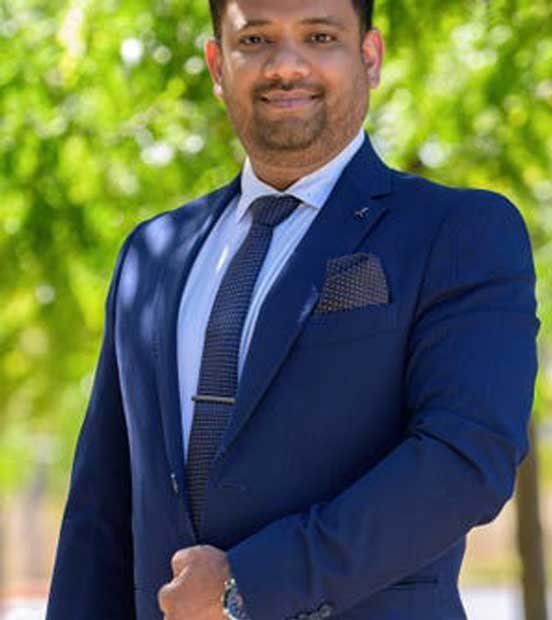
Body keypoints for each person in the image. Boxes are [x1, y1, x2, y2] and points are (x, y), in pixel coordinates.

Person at [45, 0, 540, 618]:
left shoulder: (458, 231)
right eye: (255, 40)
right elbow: (101, 508)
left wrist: (245, 585)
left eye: (320, 37)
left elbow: (464, 459)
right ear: (217, 64)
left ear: (370, 57)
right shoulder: (152, 252)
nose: (286, 65)